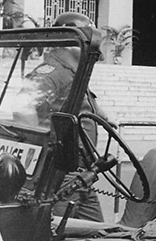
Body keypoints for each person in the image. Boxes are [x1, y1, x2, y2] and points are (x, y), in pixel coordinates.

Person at [13, 12, 106, 222]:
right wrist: (44, 150)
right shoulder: (52, 72)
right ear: (71, 43)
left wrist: (101, 116)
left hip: (82, 175)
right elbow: (22, 107)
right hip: (61, 177)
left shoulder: (73, 73)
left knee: (100, 236)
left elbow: (73, 105)